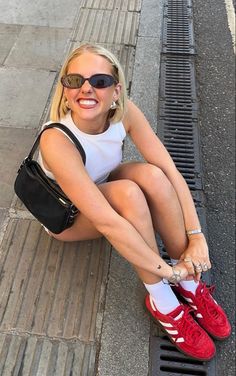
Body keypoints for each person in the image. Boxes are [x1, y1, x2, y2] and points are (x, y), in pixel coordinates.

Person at [38, 43, 231, 361]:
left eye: (99, 81)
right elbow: (107, 222)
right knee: (129, 193)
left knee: (154, 177)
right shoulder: (56, 139)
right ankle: (162, 300)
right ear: (65, 89)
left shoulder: (124, 113)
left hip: (100, 187)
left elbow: (171, 171)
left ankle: (191, 282)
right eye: (75, 81)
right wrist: (167, 273)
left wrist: (197, 239)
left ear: (116, 90)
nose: (86, 89)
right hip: (67, 216)